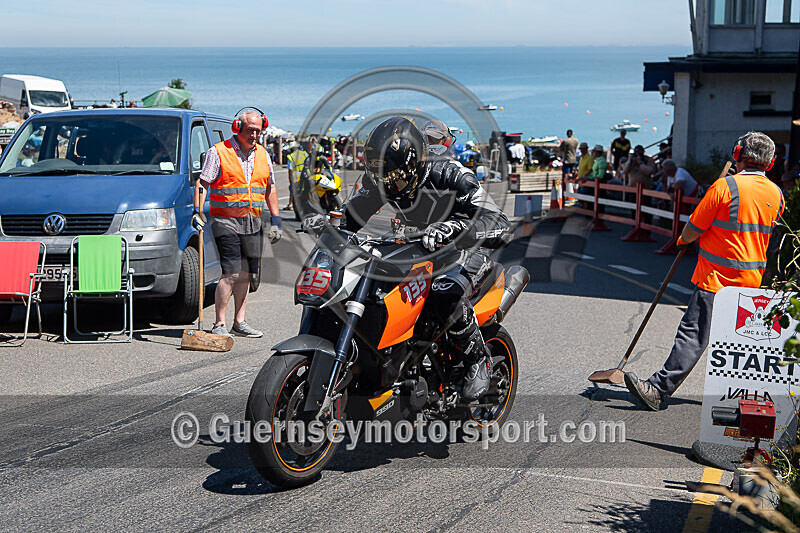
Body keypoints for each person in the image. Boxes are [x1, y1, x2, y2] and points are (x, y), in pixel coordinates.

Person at [305, 117, 510, 400]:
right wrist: (330, 227)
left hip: (468, 244)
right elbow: (352, 219)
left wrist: (455, 228)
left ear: (416, 162)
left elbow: (498, 220)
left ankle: (478, 361)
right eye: (382, 177)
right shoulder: (384, 177)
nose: (389, 185)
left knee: (443, 293)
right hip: (422, 244)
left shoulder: (450, 173)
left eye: (396, 177)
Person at [625, 131, 784, 410]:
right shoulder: (777, 194)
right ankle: (749, 402)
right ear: (769, 164)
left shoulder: (725, 188)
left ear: (737, 155)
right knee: (743, 346)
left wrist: (683, 241)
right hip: (752, 283)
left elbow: (693, 229)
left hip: (717, 280)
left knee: (693, 335)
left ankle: (659, 389)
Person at [192, 110, 282, 338]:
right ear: (237, 127)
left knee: (245, 274)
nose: (254, 135)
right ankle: (219, 323)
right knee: (231, 273)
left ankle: (239, 322)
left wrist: (276, 219)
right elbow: (202, 183)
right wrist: (197, 211)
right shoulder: (219, 152)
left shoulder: (263, 154)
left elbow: (270, 187)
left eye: (258, 131)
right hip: (225, 220)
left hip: (253, 221)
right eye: (250, 130)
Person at [286, 141, 309, 212]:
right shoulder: (305, 154)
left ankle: (291, 204)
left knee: (293, 189)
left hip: (296, 175)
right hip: (306, 174)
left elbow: (290, 169)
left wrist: (290, 180)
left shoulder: (291, 156)